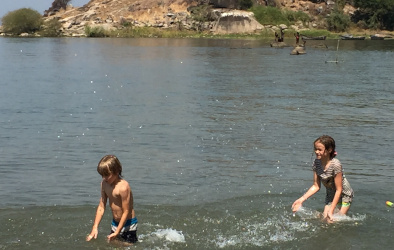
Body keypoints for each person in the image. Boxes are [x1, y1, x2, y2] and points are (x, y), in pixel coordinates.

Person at [292, 135, 353, 222]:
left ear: (329, 150)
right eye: (315, 149)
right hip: (330, 193)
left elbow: (339, 189)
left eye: (320, 149)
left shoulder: (335, 165)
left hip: (344, 195)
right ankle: (320, 215)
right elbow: (316, 186)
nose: (317, 152)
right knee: (324, 220)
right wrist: (301, 200)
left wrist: (331, 211)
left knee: (331, 221)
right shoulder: (317, 163)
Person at [86, 155, 138, 244]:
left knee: (126, 246)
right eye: (102, 175)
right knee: (112, 244)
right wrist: (95, 227)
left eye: (107, 175)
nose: (104, 178)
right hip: (115, 223)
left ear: (117, 171)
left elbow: (126, 211)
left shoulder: (123, 187)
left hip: (129, 224)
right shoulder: (104, 184)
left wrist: (118, 232)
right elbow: (102, 206)